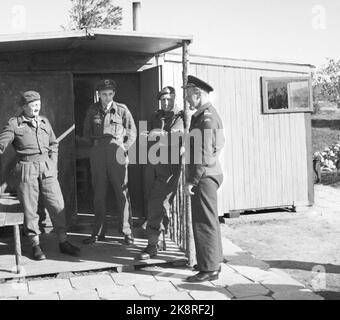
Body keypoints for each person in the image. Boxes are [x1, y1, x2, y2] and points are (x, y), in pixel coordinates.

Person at [0, 91, 80, 260]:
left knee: (57, 204)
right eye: (32, 105)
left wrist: (53, 164)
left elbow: (53, 144)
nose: (36, 107)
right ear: (24, 107)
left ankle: (63, 241)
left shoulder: (44, 121)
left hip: (47, 168)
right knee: (30, 209)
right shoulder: (14, 124)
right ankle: (35, 245)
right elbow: (2, 143)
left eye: (38, 104)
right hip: (26, 168)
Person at [82, 79, 137, 245]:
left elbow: (132, 132)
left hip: (116, 153)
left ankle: (127, 232)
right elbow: (86, 133)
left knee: (122, 193)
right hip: (98, 153)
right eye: (104, 94)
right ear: (99, 95)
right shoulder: (92, 110)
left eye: (110, 94)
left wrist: (124, 148)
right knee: (99, 193)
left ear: (114, 94)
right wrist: (95, 146)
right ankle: (98, 232)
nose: (107, 97)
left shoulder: (122, 110)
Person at [183, 75, 225, 282]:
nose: (188, 100)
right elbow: (220, 143)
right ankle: (211, 260)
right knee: (209, 220)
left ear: (197, 94)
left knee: (204, 221)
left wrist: (192, 179)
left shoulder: (206, 117)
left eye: (189, 95)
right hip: (209, 173)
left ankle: (210, 269)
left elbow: (204, 153)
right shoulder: (205, 115)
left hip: (204, 176)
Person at [137, 86, 184, 260]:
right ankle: (159, 238)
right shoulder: (155, 116)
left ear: (174, 99)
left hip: (169, 167)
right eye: (163, 99)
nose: (166, 102)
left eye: (169, 99)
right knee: (154, 201)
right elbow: (145, 137)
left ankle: (152, 245)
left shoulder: (180, 116)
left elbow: (176, 137)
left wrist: (157, 134)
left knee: (159, 203)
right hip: (153, 164)